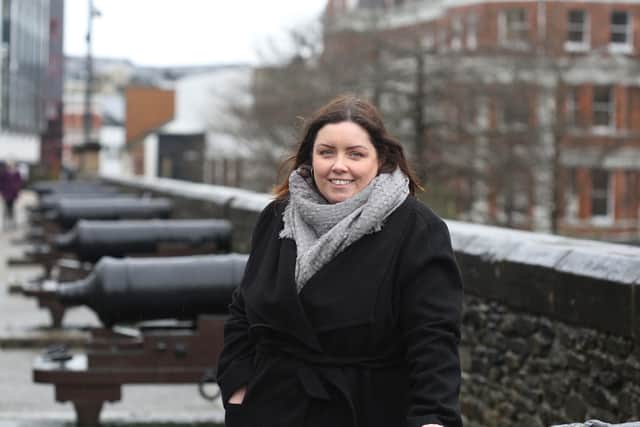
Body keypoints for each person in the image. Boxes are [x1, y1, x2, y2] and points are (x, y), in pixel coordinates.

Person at [216, 95, 464, 427]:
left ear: (381, 159)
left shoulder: (417, 230)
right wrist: (238, 387)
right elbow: (243, 310)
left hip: (366, 410)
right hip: (271, 407)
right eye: (326, 152)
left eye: (356, 154)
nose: (339, 166)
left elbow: (433, 338)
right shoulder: (277, 217)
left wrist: (434, 417)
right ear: (310, 157)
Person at [0, 161, 23, 229]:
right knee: (6, 207)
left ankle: (12, 222)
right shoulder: (4, 173)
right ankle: (6, 222)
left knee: (12, 208)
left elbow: (19, 182)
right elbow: (1, 182)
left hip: (13, 193)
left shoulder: (16, 173)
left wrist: (17, 190)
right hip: (6, 193)